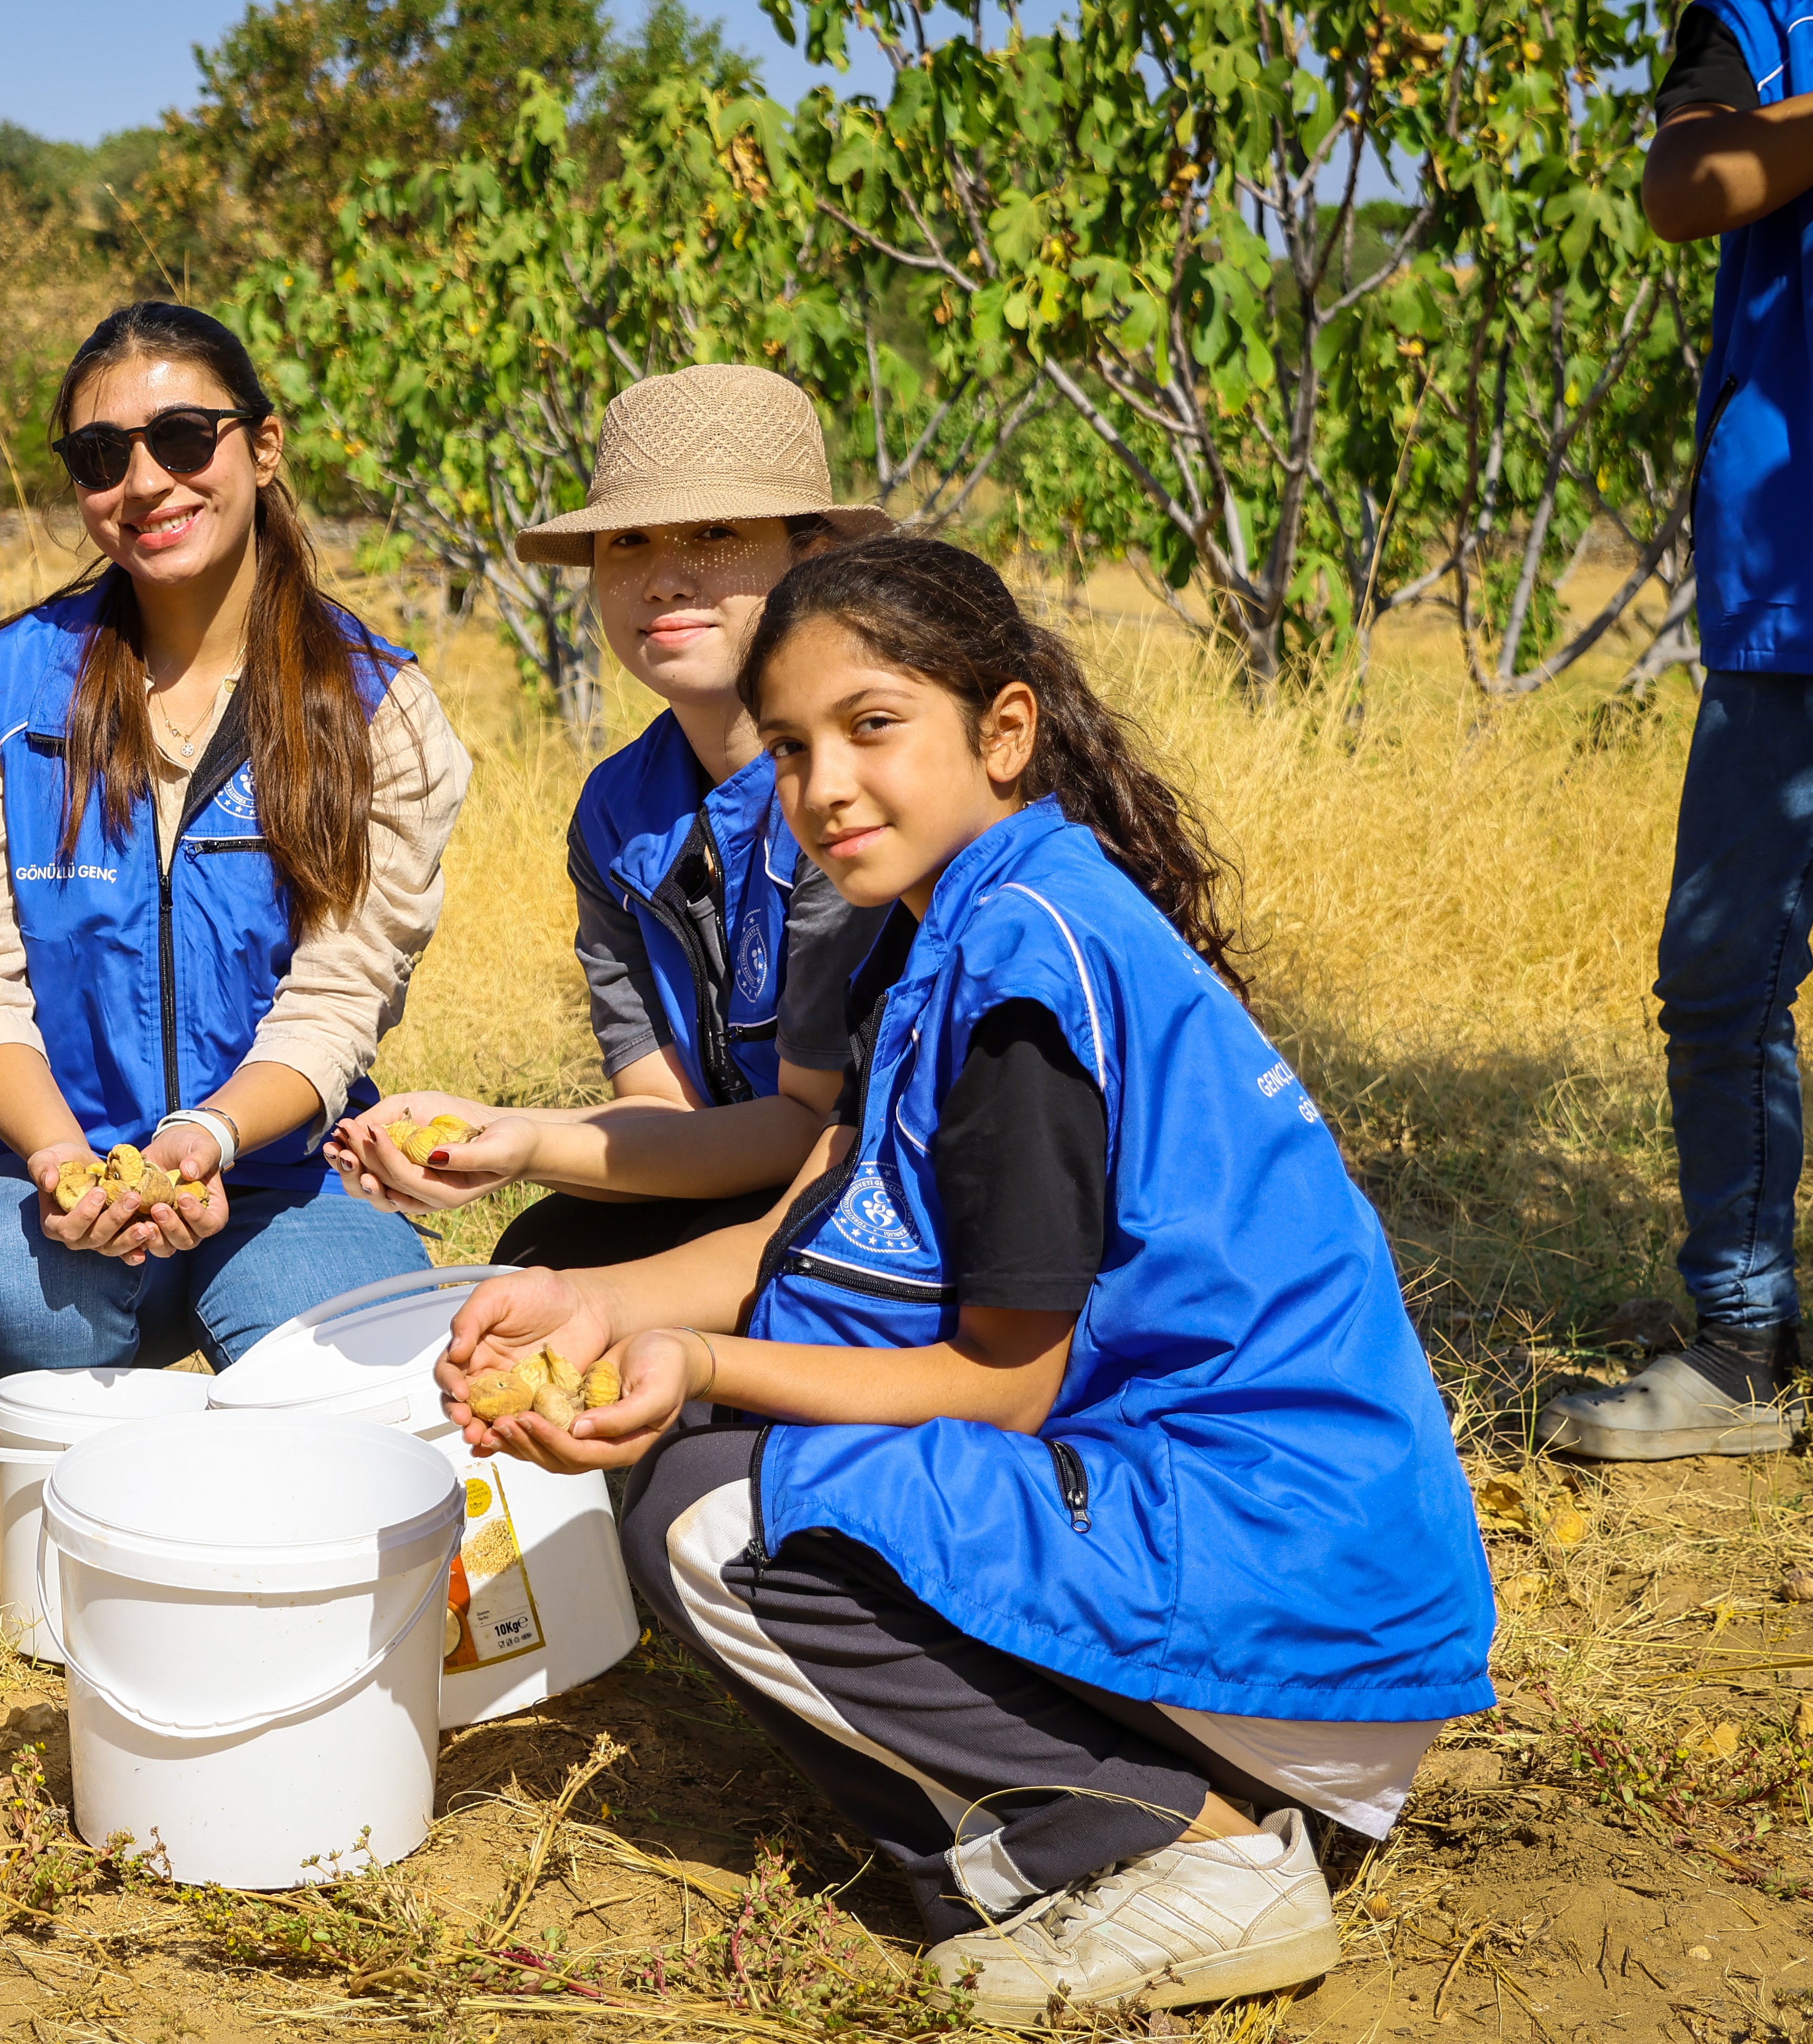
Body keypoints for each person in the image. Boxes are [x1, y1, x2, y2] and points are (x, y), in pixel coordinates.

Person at [437, 539, 1495, 2021]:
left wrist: (704, 1368)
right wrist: (606, 1310)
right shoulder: (967, 918)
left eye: (874, 728)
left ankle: (1175, 1848)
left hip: (1293, 1598)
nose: (826, 788)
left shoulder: (1014, 985)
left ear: (1003, 732)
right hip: (1272, 1559)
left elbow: (1005, 1383)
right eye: (795, 749)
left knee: (711, 1516)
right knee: (694, 1433)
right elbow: (804, 1240)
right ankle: (1119, 1785)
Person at [1538, 0, 1813, 1492]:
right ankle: (1737, 1347)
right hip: (1803, 550)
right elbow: (1687, 187)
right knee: (1721, 968)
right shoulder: (1772, 18)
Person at [0, 301, 472, 1384]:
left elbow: (341, 995)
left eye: (183, 437)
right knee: (26, 1304)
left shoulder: (380, 706)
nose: (145, 482)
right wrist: (61, 1159)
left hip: (277, 1171)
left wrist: (212, 1135)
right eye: (99, 455)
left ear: (263, 447)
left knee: (352, 1375)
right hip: (39, 1161)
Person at [325, 365, 893, 1268]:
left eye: (715, 533)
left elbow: (810, 1126)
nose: (665, 578)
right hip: (748, 1177)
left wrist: (533, 1140)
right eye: (628, 541)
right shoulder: (617, 813)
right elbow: (662, 1114)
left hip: (881, 1194)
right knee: (545, 1248)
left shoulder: (854, 787)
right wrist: (491, 1138)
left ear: (811, 555)